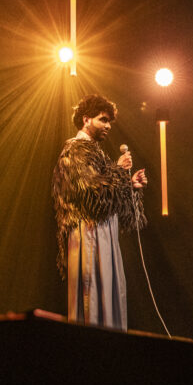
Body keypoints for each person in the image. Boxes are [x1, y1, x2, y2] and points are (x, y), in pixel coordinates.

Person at [52, 94, 147, 331]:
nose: (108, 126)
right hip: (89, 231)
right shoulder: (74, 150)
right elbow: (92, 195)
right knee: (93, 294)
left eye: (110, 122)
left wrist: (130, 185)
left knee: (109, 295)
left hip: (104, 231)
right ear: (86, 119)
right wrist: (118, 170)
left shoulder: (96, 153)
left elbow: (110, 199)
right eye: (103, 120)